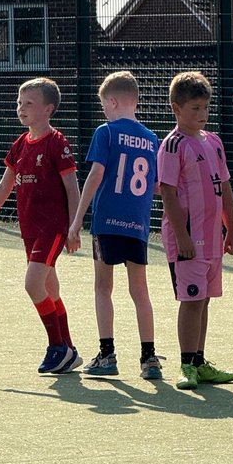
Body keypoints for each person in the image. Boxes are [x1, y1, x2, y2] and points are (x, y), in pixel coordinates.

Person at [0, 77, 82, 374]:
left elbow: (72, 188)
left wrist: (73, 228)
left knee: (32, 284)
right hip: (29, 229)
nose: (21, 108)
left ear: (48, 109)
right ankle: (69, 349)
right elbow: (4, 187)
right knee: (49, 287)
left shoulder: (58, 143)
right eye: (20, 102)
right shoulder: (20, 144)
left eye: (29, 103)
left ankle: (57, 347)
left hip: (53, 227)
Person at [67, 71, 163, 380]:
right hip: (137, 224)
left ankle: (107, 354)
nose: (103, 111)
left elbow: (95, 175)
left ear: (112, 101)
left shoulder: (106, 132)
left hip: (107, 222)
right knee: (140, 291)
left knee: (102, 287)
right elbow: (156, 185)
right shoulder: (151, 139)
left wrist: (78, 217)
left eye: (103, 105)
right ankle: (149, 359)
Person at [157, 71, 233, 391]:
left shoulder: (214, 142)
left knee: (204, 301)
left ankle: (200, 362)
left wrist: (230, 228)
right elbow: (167, 192)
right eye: (195, 108)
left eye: (206, 107)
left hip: (213, 239)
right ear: (177, 109)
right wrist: (182, 237)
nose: (202, 114)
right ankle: (186, 364)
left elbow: (226, 187)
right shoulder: (173, 145)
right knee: (191, 301)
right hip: (188, 239)